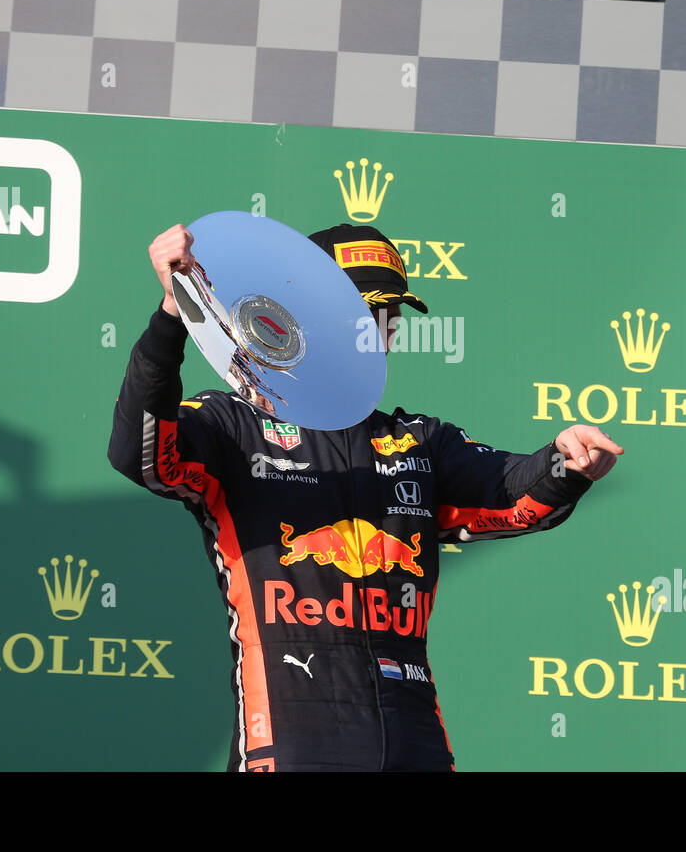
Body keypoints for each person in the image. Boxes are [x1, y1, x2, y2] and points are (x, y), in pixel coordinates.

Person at [109, 220, 620, 771]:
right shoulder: (233, 426)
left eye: (391, 314)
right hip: (292, 739)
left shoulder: (421, 440)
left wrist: (564, 463)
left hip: (412, 739)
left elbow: (510, 492)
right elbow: (141, 456)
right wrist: (170, 316)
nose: (384, 327)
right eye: (367, 311)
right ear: (301, 309)